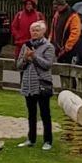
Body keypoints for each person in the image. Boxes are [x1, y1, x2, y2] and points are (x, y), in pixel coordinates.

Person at [16, 19, 56, 150]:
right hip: (28, 84)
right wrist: (25, 59)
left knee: (45, 113)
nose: (34, 32)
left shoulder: (49, 47)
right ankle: (31, 139)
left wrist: (34, 57)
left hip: (42, 84)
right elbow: (18, 65)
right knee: (31, 113)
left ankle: (48, 141)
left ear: (43, 32)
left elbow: (47, 65)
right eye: (32, 30)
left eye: (37, 30)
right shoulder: (26, 46)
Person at [49, 0, 82, 64]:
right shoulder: (57, 14)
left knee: (68, 66)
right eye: (54, 7)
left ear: (62, 5)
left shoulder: (73, 15)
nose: (55, 9)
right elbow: (53, 29)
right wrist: (50, 40)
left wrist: (67, 47)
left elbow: (75, 33)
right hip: (59, 48)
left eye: (57, 7)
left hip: (69, 49)